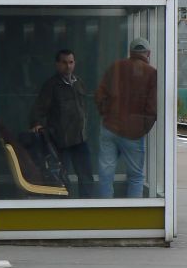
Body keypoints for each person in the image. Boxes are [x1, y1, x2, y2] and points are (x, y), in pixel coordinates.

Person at [96, 37, 157, 198]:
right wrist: (142, 128)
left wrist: (106, 115)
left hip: (110, 127)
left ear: (130, 52)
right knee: (136, 176)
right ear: (148, 53)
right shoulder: (151, 73)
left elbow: (100, 95)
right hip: (134, 133)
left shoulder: (115, 67)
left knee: (106, 173)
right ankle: (134, 213)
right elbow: (152, 107)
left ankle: (105, 210)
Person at [30, 49, 95, 198]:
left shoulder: (79, 82)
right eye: (64, 63)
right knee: (61, 177)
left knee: (86, 176)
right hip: (61, 139)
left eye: (71, 62)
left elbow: (85, 107)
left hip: (80, 138)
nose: (68, 66)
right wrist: (37, 124)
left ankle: (87, 206)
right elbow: (39, 108)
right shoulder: (51, 86)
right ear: (57, 64)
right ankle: (62, 206)